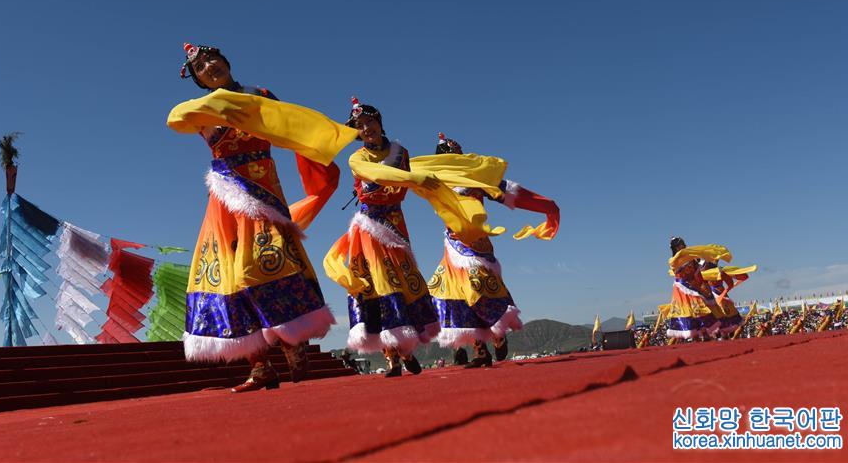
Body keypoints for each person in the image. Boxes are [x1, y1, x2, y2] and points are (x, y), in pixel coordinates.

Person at [167, 43, 356, 392]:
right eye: (200, 68)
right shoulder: (201, 110)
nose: (208, 67)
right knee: (226, 274)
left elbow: (294, 129)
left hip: (264, 190)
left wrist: (322, 145)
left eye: (212, 60)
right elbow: (174, 119)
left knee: (267, 262)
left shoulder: (260, 95)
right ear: (197, 79)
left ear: (226, 60)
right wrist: (220, 106)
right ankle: (260, 365)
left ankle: (292, 342)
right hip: (226, 194)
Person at [323, 98, 439, 377]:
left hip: (396, 225)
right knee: (378, 283)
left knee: (403, 281)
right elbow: (379, 174)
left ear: (380, 122)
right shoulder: (357, 158)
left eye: (369, 122)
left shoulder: (402, 152)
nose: (366, 129)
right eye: (359, 127)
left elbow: (401, 183)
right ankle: (392, 358)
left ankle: (407, 348)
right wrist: (413, 180)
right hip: (369, 229)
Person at [427, 133, 560, 367]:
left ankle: (498, 333)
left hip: (477, 245)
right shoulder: (436, 183)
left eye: (451, 157)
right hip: (453, 245)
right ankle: (480, 351)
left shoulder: (477, 178)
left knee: (478, 291)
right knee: (454, 297)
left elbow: (509, 192)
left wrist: (546, 206)